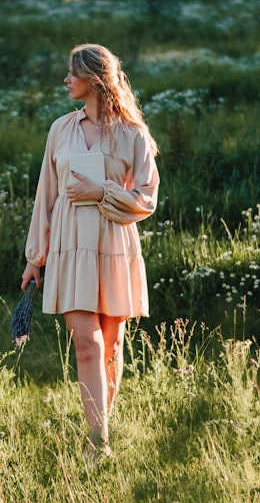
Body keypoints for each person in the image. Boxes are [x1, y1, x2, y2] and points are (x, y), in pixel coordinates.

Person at [21, 43, 160, 467]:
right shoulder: (59, 130)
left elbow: (147, 199)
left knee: (112, 346)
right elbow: (45, 195)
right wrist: (35, 257)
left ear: (95, 80)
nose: (66, 80)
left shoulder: (132, 134)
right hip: (67, 244)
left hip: (114, 246)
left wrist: (100, 191)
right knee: (87, 344)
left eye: (72, 73)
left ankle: (100, 433)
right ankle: (98, 442)